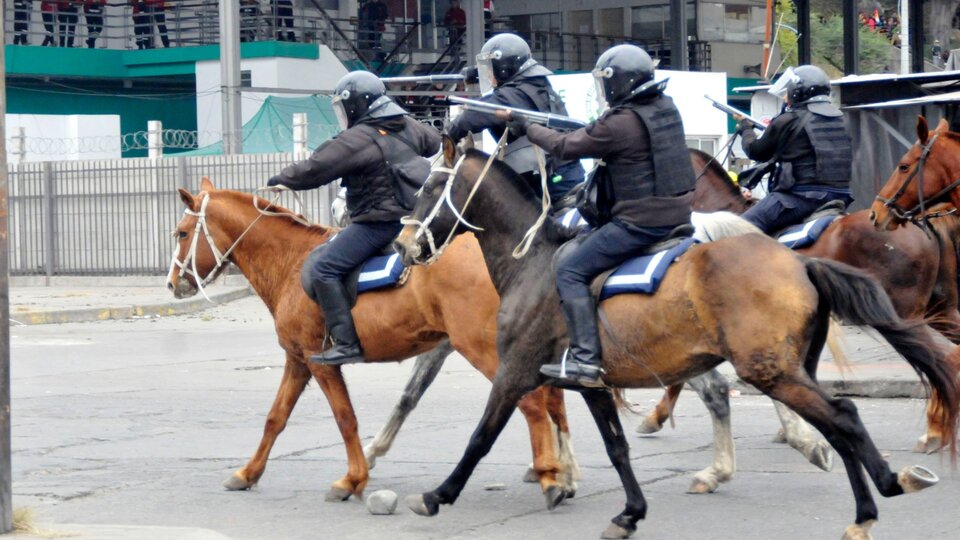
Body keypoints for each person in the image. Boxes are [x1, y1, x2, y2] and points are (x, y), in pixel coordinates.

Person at [505, 44, 696, 386]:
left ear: (619, 82)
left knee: (570, 268)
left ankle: (585, 360)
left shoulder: (621, 122)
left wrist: (528, 127)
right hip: (677, 214)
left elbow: (566, 147)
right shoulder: (664, 107)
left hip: (640, 223)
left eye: (606, 82)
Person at [266, 71, 440, 365]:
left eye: (342, 107)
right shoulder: (406, 125)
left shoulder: (357, 139)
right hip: (415, 220)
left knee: (323, 268)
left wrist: (281, 179)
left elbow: (315, 168)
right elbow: (433, 142)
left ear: (356, 105)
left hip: (379, 225)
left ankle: (347, 343)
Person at [445, 33, 585, 203]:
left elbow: (468, 119)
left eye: (490, 68)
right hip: (563, 174)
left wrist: (447, 136)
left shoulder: (513, 95)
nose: (487, 74)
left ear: (503, 68)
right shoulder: (534, 85)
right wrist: (475, 72)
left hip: (554, 185)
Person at [733, 65, 853, 234]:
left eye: (787, 91)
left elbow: (756, 151)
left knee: (739, 228)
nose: (784, 96)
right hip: (841, 196)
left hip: (799, 198)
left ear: (799, 91)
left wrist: (745, 128)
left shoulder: (789, 119)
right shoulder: (842, 119)